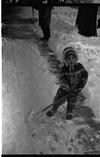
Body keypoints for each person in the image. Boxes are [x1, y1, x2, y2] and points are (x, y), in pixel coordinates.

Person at [47, 47, 88, 120]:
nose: (71, 60)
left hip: (75, 89)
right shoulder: (64, 69)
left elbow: (85, 75)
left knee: (72, 101)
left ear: (76, 58)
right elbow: (62, 79)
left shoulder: (80, 66)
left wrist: (80, 86)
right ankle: (54, 109)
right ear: (65, 60)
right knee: (58, 99)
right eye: (68, 58)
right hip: (64, 89)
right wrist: (67, 88)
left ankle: (69, 112)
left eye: (73, 58)